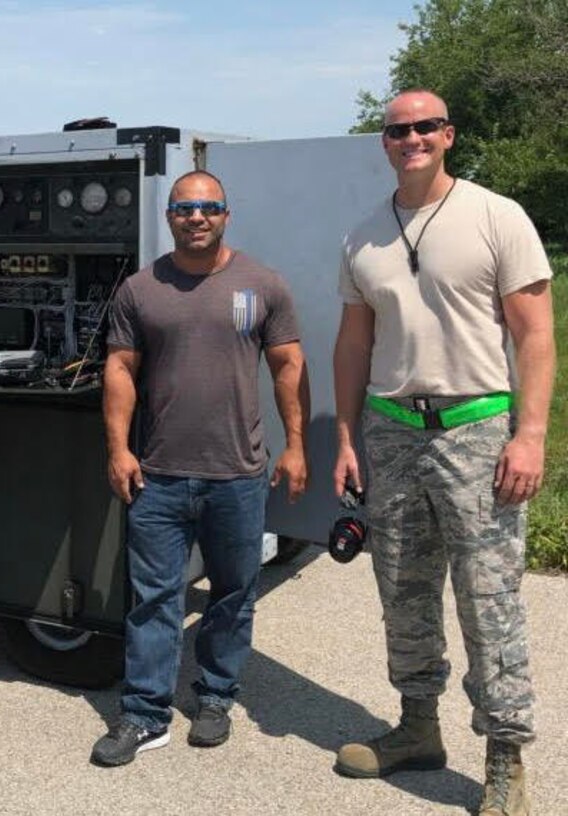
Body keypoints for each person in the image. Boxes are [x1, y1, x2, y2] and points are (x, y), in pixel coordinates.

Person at [332, 90, 554, 815]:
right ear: (384, 143)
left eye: (426, 126)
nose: (412, 138)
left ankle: (505, 758)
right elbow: (355, 342)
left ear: (448, 135)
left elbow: (534, 336)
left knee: (489, 603)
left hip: (479, 426)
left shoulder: (497, 217)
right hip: (392, 431)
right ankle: (417, 728)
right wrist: (346, 436)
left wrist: (529, 434)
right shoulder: (364, 235)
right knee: (403, 591)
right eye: (398, 130)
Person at [90, 170, 309, 767]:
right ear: (170, 218)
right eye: (185, 208)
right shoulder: (141, 290)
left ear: (226, 215)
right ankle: (143, 714)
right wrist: (118, 449)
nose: (197, 217)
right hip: (158, 476)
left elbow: (288, 366)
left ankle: (214, 697)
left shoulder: (262, 285)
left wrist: (295, 445)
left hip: (237, 475)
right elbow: (120, 371)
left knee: (233, 594)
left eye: (208, 207)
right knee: (154, 598)